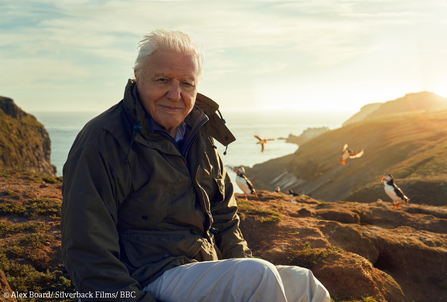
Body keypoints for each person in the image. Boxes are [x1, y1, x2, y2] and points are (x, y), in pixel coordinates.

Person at [61, 29, 330, 302]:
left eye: (186, 83)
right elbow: (86, 249)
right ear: (138, 76)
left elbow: (225, 219)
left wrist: (240, 267)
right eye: (163, 79)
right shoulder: (103, 141)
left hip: (200, 265)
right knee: (256, 277)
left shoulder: (200, 136)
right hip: (146, 278)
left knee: (304, 283)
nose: (175, 94)